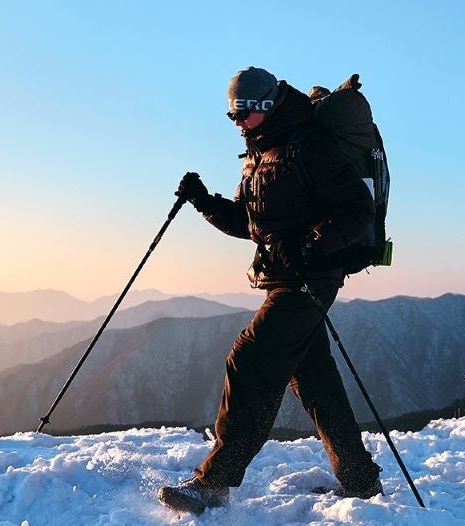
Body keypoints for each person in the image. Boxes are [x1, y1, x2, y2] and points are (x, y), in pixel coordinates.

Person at [157, 66, 382, 514]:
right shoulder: (258, 155)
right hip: (284, 277)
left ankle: (215, 481)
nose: (237, 123)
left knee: (250, 359)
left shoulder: (309, 148)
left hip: (309, 279)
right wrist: (204, 202)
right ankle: (359, 481)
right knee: (314, 378)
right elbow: (248, 222)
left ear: (264, 107)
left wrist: (314, 242)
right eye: (232, 116)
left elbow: (358, 208)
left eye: (242, 114)